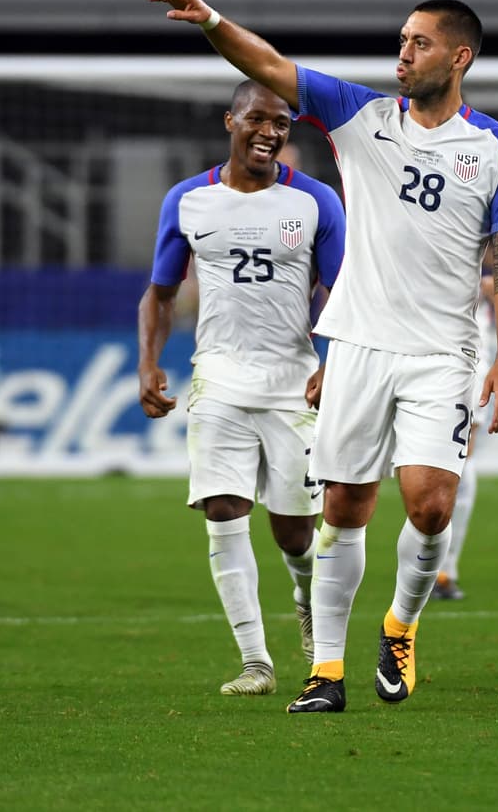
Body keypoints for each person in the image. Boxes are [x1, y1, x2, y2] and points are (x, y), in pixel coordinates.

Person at [147, 0, 498, 714]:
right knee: (344, 508)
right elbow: (270, 66)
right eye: (402, 40)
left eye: (420, 43)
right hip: (357, 343)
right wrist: (210, 21)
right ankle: (326, 672)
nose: (403, 53)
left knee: (430, 505)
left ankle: (401, 625)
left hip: (442, 351)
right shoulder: (361, 116)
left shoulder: (496, 147)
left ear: (459, 57)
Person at [137, 79, 346, 697]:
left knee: (295, 533)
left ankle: (305, 599)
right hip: (218, 379)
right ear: (231, 121)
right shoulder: (188, 200)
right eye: (257, 118)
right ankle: (256, 663)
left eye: (281, 123)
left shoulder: (315, 202)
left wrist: (333, 362)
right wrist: (148, 362)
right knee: (223, 510)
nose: (269, 132)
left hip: (292, 385)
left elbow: (345, 293)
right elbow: (161, 292)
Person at [432, 271, 496, 601]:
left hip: (466, 347)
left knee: (460, 454)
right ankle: (435, 567)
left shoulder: (497, 242)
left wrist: (488, 284)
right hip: (415, 340)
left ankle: (444, 568)